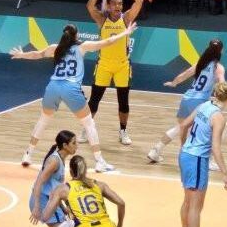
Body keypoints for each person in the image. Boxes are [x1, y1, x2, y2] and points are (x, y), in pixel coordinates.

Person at [10, 21, 138, 173]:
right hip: (70, 88)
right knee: (89, 124)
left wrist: (21, 55)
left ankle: (28, 154)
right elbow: (108, 41)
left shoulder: (55, 48)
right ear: (76, 35)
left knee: (43, 121)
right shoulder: (81, 47)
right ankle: (99, 161)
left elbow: (36, 54)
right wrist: (125, 33)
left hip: (53, 87)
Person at [147, 39, 227, 170]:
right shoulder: (218, 67)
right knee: (224, 129)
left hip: (187, 98)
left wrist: (174, 83)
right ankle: (211, 160)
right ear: (221, 51)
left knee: (180, 127)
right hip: (200, 102)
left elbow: (183, 75)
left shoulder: (200, 63)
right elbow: (224, 87)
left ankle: (156, 150)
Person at [82, 0, 144, 146]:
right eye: (115, 3)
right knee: (94, 100)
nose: (118, 6)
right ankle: (87, 129)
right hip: (104, 65)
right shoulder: (102, 20)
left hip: (122, 66)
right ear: (108, 6)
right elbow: (89, 5)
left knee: (123, 102)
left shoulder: (126, 19)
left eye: (120, 3)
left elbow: (139, 1)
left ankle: (123, 131)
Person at [177, 81, 227, 227]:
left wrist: (183, 145)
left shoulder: (203, 105)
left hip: (186, 155)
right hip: (197, 159)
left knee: (187, 200)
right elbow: (216, 148)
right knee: (196, 205)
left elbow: (184, 124)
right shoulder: (218, 118)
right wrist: (225, 173)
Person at [26, 130, 83, 227]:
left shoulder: (60, 159)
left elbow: (54, 187)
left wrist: (64, 208)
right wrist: (37, 206)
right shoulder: (55, 161)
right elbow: (38, 183)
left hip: (50, 201)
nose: (76, 146)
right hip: (43, 201)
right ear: (65, 145)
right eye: (74, 143)